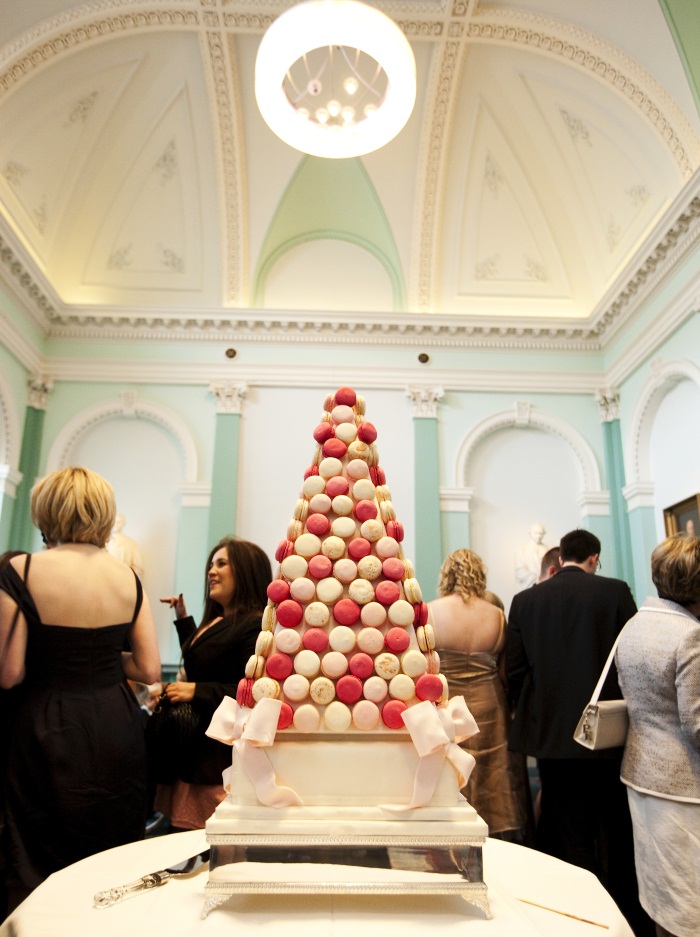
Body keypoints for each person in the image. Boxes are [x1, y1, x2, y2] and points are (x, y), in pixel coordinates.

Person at [0, 467, 160, 909]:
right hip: (114, 722)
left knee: (39, 843)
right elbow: (148, 668)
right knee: (107, 839)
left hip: (46, 723)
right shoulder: (127, 577)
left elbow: (9, 673)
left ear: (46, 509)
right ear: (104, 515)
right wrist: (104, 657)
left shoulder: (22, 568)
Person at [506, 528, 652, 936]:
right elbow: (633, 659)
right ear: (594, 558)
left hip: (551, 737)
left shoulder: (525, 601)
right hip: (606, 733)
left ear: (558, 561)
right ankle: (624, 917)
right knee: (614, 829)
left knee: (565, 831)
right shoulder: (615, 593)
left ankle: (569, 918)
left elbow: (515, 672)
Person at [615, 534, 700, 937]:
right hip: (682, 785)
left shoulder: (636, 623)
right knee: (688, 901)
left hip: (641, 772)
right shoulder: (689, 635)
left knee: (657, 891)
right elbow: (697, 724)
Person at [157, 536, 271, 831]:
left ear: (245, 572)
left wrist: (196, 691)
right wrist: (183, 620)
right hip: (195, 747)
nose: (211, 570)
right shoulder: (221, 620)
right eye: (211, 564)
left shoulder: (254, 624)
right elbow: (203, 659)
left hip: (217, 755)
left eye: (221, 563)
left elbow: (254, 693)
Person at [428, 549, 528, 839]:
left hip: (447, 704)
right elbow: (504, 670)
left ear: (446, 574)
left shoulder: (433, 610)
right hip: (489, 702)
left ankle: (450, 826)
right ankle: (495, 828)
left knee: (450, 764)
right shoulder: (496, 614)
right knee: (493, 768)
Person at [106, 514, 145, 578]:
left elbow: (138, 568)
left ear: (123, 523)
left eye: (118, 522)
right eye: (114, 522)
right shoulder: (104, 543)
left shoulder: (131, 544)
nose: (115, 524)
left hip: (125, 581)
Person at [515, 523, 549, 588]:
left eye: (540, 534)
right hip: (528, 586)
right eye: (536, 533)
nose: (538, 536)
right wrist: (537, 579)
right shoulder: (522, 549)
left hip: (544, 586)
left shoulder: (546, 549)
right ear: (530, 533)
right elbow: (520, 571)